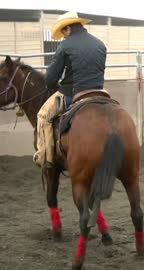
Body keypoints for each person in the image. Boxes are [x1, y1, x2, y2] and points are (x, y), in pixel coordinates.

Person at [34, 11, 107, 168]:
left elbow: (51, 77)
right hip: (100, 92)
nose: (63, 36)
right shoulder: (100, 44)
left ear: (68, 28)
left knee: (43, 116)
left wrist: (52, 85)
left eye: (63, 32)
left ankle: (46, 158)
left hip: (73, 92)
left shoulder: (65, 45)